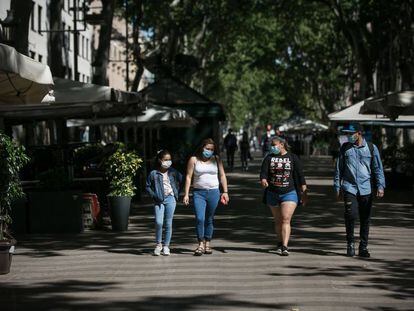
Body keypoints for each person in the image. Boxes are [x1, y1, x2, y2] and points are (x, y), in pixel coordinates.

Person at [334, 123, 385, 258]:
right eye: (347, 133)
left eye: (351, 133)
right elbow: (339, 168)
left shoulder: (371, 148)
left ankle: (363, 246)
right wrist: (337, 187)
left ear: (359, 133)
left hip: (366, 188)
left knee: (365, 218)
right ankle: (350, 243)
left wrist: (380, 185)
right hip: (349, 187)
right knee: (350, 215)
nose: (348, 136)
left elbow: (378, 168)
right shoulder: (345, 148)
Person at [260, 136, 307, 256]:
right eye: (271, 145)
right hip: (272, 193)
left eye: (274, 144)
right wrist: (263, 180)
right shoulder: (269, 158)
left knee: (286, 219)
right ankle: (279, 243)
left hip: (289, 193)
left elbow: (300, 176)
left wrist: (304, 191)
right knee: (278, 220)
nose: (272, 147)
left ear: (282, 144)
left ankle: (285, 247)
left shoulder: (292, 157)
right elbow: (263, 172)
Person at [183, 138, 229, 256]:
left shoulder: (216, 159)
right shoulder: (194, 159)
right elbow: (188, 177)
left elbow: (222, 175)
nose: (209, 151)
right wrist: (186, 194)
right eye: (207, 149)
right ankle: (200, 244)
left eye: (212, 149)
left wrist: (225, 192)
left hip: (214, 192)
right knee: (200, 218)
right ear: (202, 148)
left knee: (209, 219)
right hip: (199, 193)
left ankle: (207, 242)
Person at [146, 150, 183, 256]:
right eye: (165, 160)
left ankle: (166, 246)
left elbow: (182, 180)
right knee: (158, 222)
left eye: (169, 160)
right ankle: (158, 244)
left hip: (171, 199)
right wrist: (154, 195)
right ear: (160, 160)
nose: (168, 162)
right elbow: (147, 186)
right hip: (159, 200)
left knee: (168, 223)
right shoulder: (153, 173)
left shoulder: (173, 172)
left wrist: (177, 193)